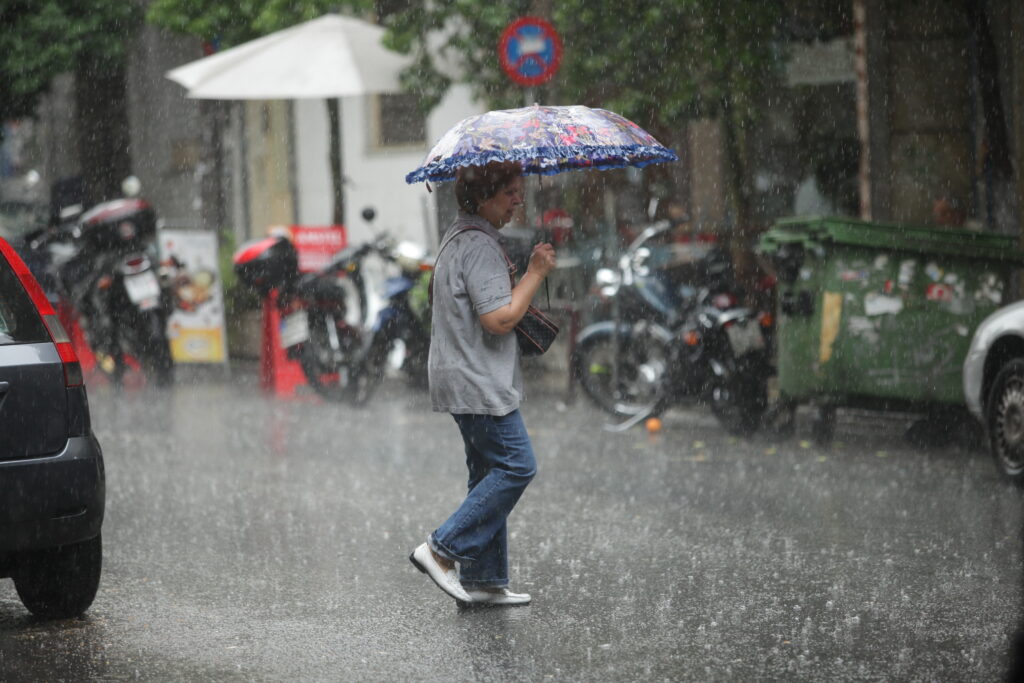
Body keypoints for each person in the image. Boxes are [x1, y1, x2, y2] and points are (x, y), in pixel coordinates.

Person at [409, 161, 557, 607]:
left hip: (461, 375)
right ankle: (441, 550)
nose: (518, 200)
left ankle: (484, 579)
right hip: (478, 381)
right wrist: (535, 272)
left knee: (488, 473)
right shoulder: (479, 246)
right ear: (483, 197)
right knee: (516, 466)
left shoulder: (461, 237)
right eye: (510, 192)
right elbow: (500, 319)